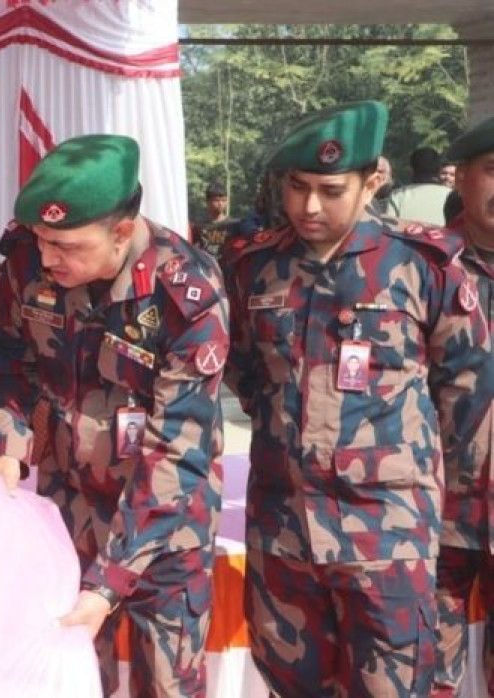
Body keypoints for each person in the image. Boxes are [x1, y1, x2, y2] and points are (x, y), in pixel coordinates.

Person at [221, 101, 494, 698]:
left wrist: (455, 524)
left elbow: (468, 396)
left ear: (373, 181)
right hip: (284, 535)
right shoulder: (253, 269)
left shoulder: (424, 266)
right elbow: (243, 373)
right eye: (296, 188)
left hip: (388, 537)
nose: (309, 206)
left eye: (330, 190)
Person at [0, 134, 228, 697]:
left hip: (162, 530)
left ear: (123, 232)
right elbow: (5, 372)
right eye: (42, 240)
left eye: (68, 246)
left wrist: (107, 584)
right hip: (66, 519)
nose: (49, 258)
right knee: (68, 683)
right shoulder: (24, 266)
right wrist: (7, 446)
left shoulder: (186, 291)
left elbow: (177, 450)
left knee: (170, 686)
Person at [431, 115, 494, 698]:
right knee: (430, 676)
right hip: (437, 512)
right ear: (463, 177)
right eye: (493, 171)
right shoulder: (422, 268)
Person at [386, 146, 452, 225]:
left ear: (411, 170)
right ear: (439, 170)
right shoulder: (453, 196)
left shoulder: (398, 195)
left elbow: (388, 227)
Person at [191, 181, 237, 258]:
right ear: (208, 202)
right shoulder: (199, 227)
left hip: (226, 266)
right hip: (207, 265)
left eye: (223, 200)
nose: (220, 204)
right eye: (217, 200)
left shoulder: (233, 225)